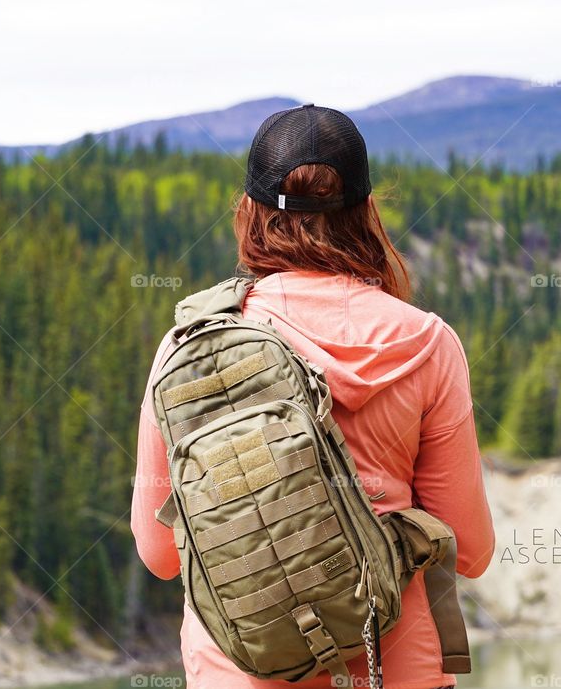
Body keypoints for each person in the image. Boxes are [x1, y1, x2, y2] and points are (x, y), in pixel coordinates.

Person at [131, 104, 495, 689]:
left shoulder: (192, 345)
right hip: (392, 669)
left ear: (248, 213)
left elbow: (161, 552)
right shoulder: (427, 343)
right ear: (367, 213)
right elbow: (471, 551)